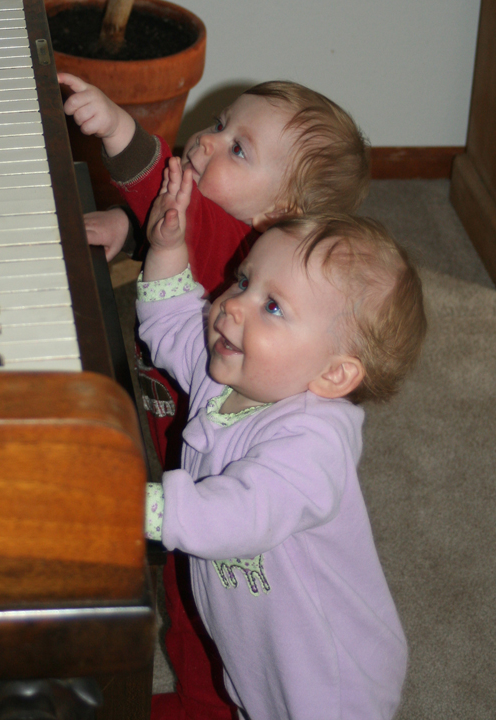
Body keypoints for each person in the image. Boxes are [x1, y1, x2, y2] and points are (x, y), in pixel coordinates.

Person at [58, 74, 372, 720]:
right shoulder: (248, 261)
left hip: (218, 496)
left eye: (238, 150)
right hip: (191, 454)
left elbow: (185, 215)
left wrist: (118, 129)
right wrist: (142, 231)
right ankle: (206, 697)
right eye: (222, 123)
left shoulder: (238, 242)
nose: (207, 141)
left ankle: (212, 701)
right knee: (191, 597)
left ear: (275, 221)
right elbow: (178, 283)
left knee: (210, 603)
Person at [137, 158, 426, 720]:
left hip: (328, 684)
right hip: (261, 661)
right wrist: (168, 248)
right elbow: (170, 321)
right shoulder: (232, 371)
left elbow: (243, 514)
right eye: (245, 280)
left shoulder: (314, 442)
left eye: (273, 307)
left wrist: (138, 506)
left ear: (334, 374)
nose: (233, 304)